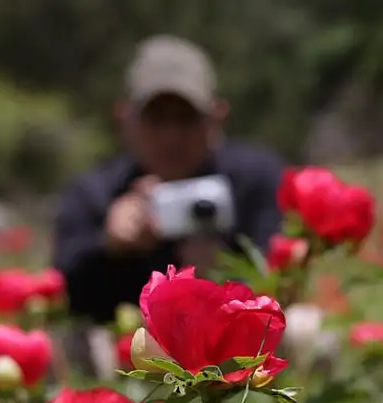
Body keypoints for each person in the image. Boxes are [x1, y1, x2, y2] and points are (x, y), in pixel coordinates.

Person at [52, 35, 285, 336]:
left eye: (186, 118)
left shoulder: (255, 179)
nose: (171, 137)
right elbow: (62, 295)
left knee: (304, 327)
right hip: (126, 347)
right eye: (156, 118)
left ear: (217, 116)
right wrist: (109, 248)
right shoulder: (95, 194)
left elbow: (284, 279)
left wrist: (225, 271)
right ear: (125, 118)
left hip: (233, 339)